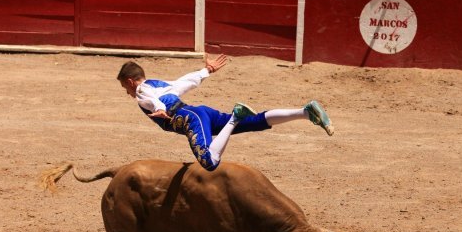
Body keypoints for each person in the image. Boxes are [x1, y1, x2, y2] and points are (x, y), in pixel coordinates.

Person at [117, 54, 333, 172]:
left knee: (209, 162)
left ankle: (235, 117)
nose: (128, 93)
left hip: (192, 119)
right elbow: (185, 82)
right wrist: (206, 71)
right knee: (255, 122)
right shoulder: (158, 84)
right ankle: (305, 112)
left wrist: (161, 110)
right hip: (202, 113)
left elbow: (152, 101)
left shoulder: (141, 91)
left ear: (130, 81)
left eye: (125, 88)